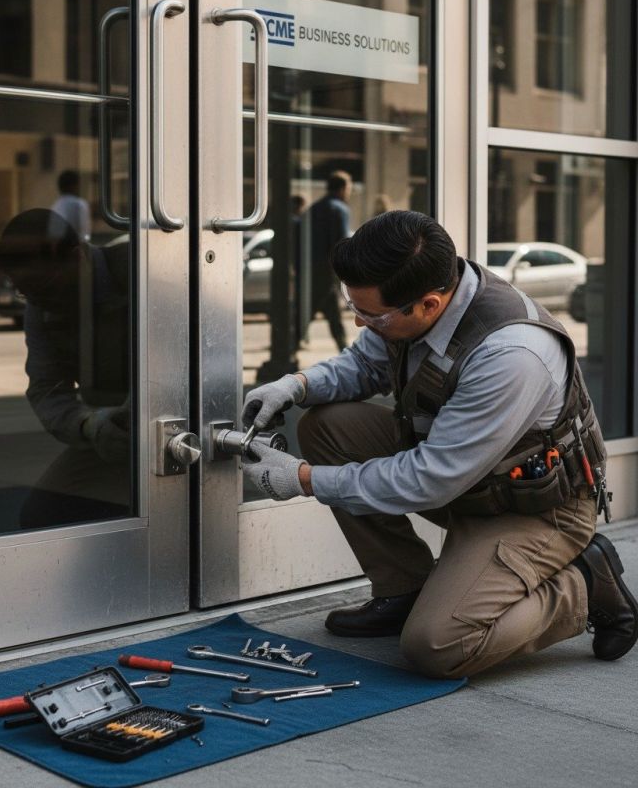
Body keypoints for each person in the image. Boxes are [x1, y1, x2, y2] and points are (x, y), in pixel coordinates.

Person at [241, 210, 637, 679]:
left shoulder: (512, 355)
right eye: (355, 307)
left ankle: (583, 586)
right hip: (469, 485)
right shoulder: (425, 291)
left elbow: (429, 479)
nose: (361, 323)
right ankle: (404, 589)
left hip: (534, 509)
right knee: (328, 427)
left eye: (371, 314)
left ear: (428, 304)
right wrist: (297, 385)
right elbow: (364, 366)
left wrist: (303, 480)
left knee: (439, 646)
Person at [0, 208, 130, 528]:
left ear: (79, 256)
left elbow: (181, 366)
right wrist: (89, 425)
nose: (42, 302)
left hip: (173, 426)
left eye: (48, 286)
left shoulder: (138, 277)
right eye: (27, 292)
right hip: (110, 435)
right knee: (42, 518)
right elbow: (46, 388)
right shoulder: (40, 307)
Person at [300, 171, 352, 352]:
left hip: (310, 270)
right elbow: (342, 243)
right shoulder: (339, 209)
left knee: (313, 310)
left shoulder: (313, 208)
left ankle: (290, 345)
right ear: (343, 188)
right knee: (331, 312)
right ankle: (345, 350)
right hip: (328, 271)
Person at [51, 170, 91, 242]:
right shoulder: (79, 204)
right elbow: (84, 233)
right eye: (79, 184)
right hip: (74, 247)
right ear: (74, 185)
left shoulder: (56, 204)